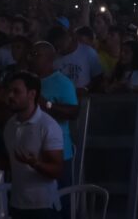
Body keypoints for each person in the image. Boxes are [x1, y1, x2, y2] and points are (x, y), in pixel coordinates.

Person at [0, 71, 64, 219]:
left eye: (16, 92)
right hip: (17, 203)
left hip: (43, 205)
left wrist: (35, 163)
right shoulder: (10, 125)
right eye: (9, 91)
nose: (10, 96)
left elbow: (57, 171)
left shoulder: (47, 126)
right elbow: (11, 164)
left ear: (32, 94)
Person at [29, 42, 79, 191]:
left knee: (61, 203)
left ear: (50, 58)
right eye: (31, 54)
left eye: (36, 55)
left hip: (58, 153)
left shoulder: (62, 82)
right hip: (34, 152)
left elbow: (73, 112)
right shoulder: (29, 81)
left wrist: (47, 104)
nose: (31, 58)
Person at [47, 25, 104, 94]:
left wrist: (86, 89)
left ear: (67, 38)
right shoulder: (53, 58)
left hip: (83, 99)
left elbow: (98, 77)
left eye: (60, 46)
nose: (58, 50)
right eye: (56, 47)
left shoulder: (88, 52)